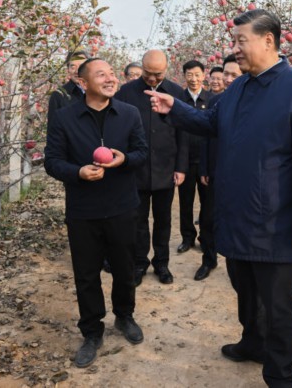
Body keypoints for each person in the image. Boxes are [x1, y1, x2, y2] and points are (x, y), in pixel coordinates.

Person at [145, 10, 292, 387]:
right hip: (238, 214)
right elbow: (212, 123)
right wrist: (175, 109)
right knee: (244, 289)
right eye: (235, 42)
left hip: (277, 221)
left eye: (241, 41)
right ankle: (252, 342)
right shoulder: (239, 89)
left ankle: (280, 375)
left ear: (268, 40)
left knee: (277, 305)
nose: (235, 49)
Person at [44, 58, 148, 368]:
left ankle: (125, 316)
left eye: (112, 73)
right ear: (83, 82)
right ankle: (91, 331)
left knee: (124, 267)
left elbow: (142, 152)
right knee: (86, 274)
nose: (110, 78)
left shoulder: (129, 113)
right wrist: (78, 172)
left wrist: (124, 159)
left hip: (122, 205)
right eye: (101, 74)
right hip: (83, 209)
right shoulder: (64, 118)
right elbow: (52, 161)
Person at [115, 49, 188, 286]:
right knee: (138, 220)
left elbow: (183, 133)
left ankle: (161, 263)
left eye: (158, 74)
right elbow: (118, 130)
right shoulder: (126, 93)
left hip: (166, 167)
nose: (153, 78)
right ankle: (139, 263)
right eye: (148, 73)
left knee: (163, 220)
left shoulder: (176, 93)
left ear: (166, 69)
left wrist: (181, 167)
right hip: (135, 169)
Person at [194, 54, 242, 281]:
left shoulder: (256, 103)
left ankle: (240, 263)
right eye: (226, 74)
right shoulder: (216, 102)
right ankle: (208, 259)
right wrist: (204, 168)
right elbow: (206, 137)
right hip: (215, 170)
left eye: (235, 75)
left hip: (241, 174)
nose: (228, 79)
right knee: (208, 218)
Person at [177, 60, 211, 254]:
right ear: (184, 76)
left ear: (203, 75)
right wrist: (179, 166)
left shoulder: (211, 99)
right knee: (185, 202)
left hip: (206, 161)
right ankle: (187, 238)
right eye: (189, 75)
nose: (194, 79)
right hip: (186, 161)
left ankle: (205, 238)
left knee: (207, 204)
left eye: (197, 74)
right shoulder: (178, 100)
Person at [47, 50, 90, 125]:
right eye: (73, 67)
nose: (77, 71)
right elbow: (53, 128)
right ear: (68, 70)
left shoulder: (99, 92)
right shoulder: (59, 95)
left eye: (81, 66)